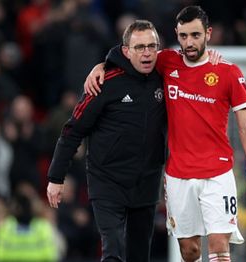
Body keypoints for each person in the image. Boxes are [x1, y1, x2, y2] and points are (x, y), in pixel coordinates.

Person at [84, 6, 246, 262]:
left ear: (208, 34)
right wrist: (101, 65)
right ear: (176, 35)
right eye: (183, 36)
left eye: (195, 35)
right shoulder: (167, 62)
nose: (189, 43)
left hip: (218, 172)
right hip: (178, 174)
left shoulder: (228, 72)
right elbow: (132, 54)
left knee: (218, 243)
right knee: (189, 251)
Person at [46, 20, 167, 262]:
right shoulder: (104, 83)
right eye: (140, 47)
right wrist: (55, 178)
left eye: (152, 46)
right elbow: (73, 130)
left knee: (139, 256)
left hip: (146, 182)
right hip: (107, 182)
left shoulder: (165, 77)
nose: (146, 53)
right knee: (113, 251)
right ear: (126, 51)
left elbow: (194, 60)